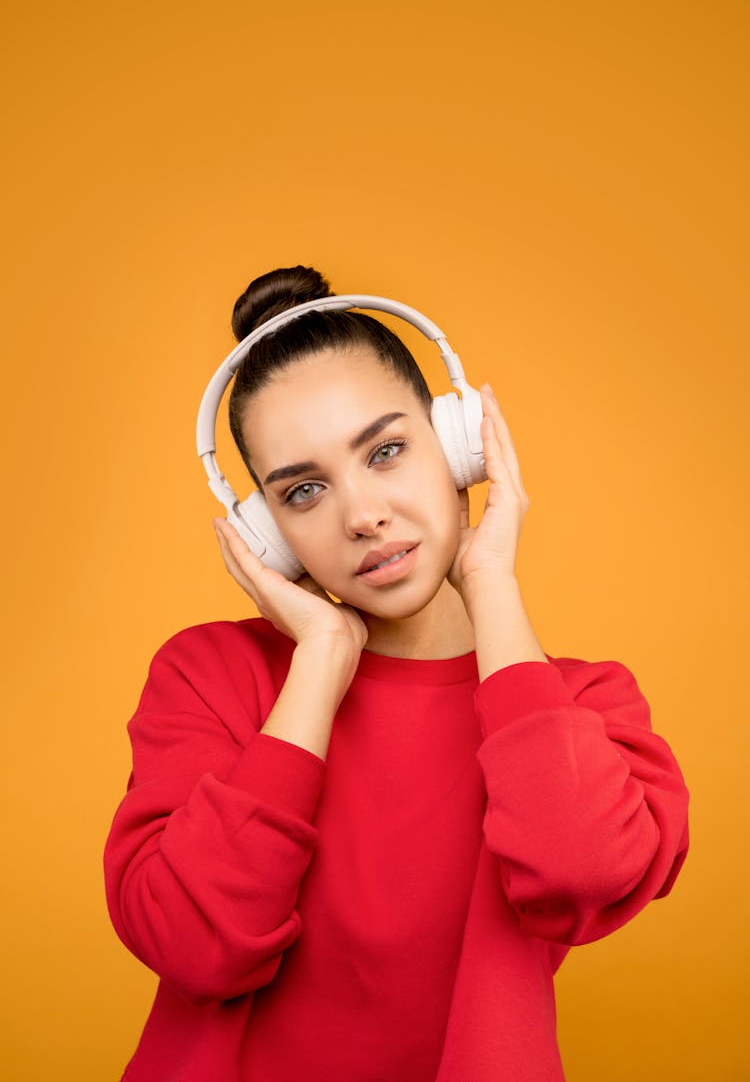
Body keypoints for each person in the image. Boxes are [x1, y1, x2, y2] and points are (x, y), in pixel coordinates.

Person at [103, 264, 690, 1082]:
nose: (361, 514)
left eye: (385, 451)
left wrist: (490, 584)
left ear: (457, 446)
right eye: (304, 492)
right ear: (265, 532)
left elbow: (581, 876)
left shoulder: (576, 707)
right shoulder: (210, 677)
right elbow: (195, 949)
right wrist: (320, 662)